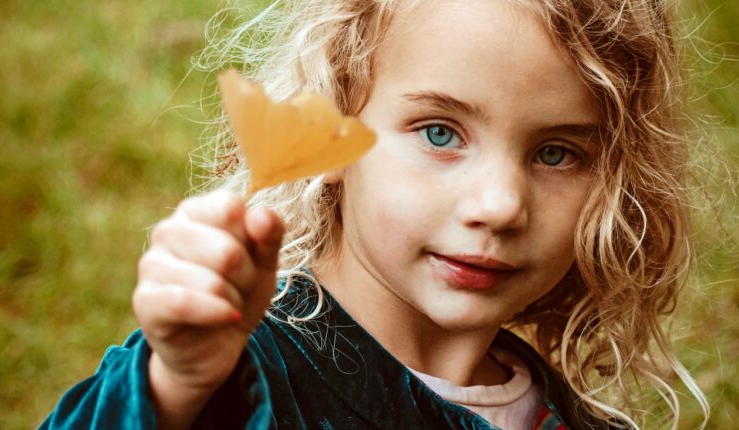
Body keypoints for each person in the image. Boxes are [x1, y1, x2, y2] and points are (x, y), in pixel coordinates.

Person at [42, 0, 710, 428]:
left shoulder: (570, 420)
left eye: (558, 153)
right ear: (333, 124)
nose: (501, 205)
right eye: (440, 132)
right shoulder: (237, 372)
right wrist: (176, 384)